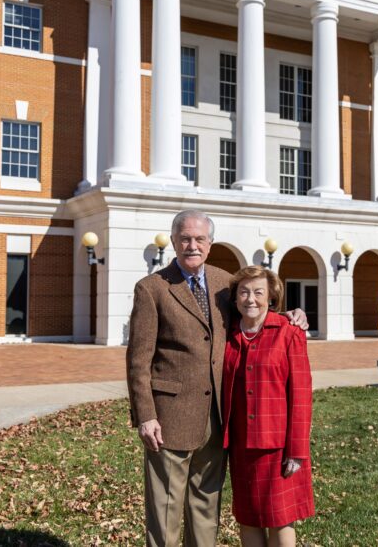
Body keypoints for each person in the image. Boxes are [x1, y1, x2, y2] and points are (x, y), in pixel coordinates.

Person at [126, 210, 307, 546]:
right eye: (184, 239)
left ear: (210, 244)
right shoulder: (152, 289)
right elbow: (138, 360)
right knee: (164, 513)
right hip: (169, 419)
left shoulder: (226, 283)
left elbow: (254, 310)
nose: (191, 245)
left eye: (199, 239)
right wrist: (146, 415)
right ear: (174, 241)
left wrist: (291, 315)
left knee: (206, 509)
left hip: (221, 421)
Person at [222, 266, 314, 547]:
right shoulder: (228, 335)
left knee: (279, 520)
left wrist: (297, 451)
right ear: (235, 298)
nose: (251, 299)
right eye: (244, 292)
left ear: (271, 298)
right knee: (247, 519)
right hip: (241, 446)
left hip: (278, 448)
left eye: (258, 292)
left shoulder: (289, 332)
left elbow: (301, 393)